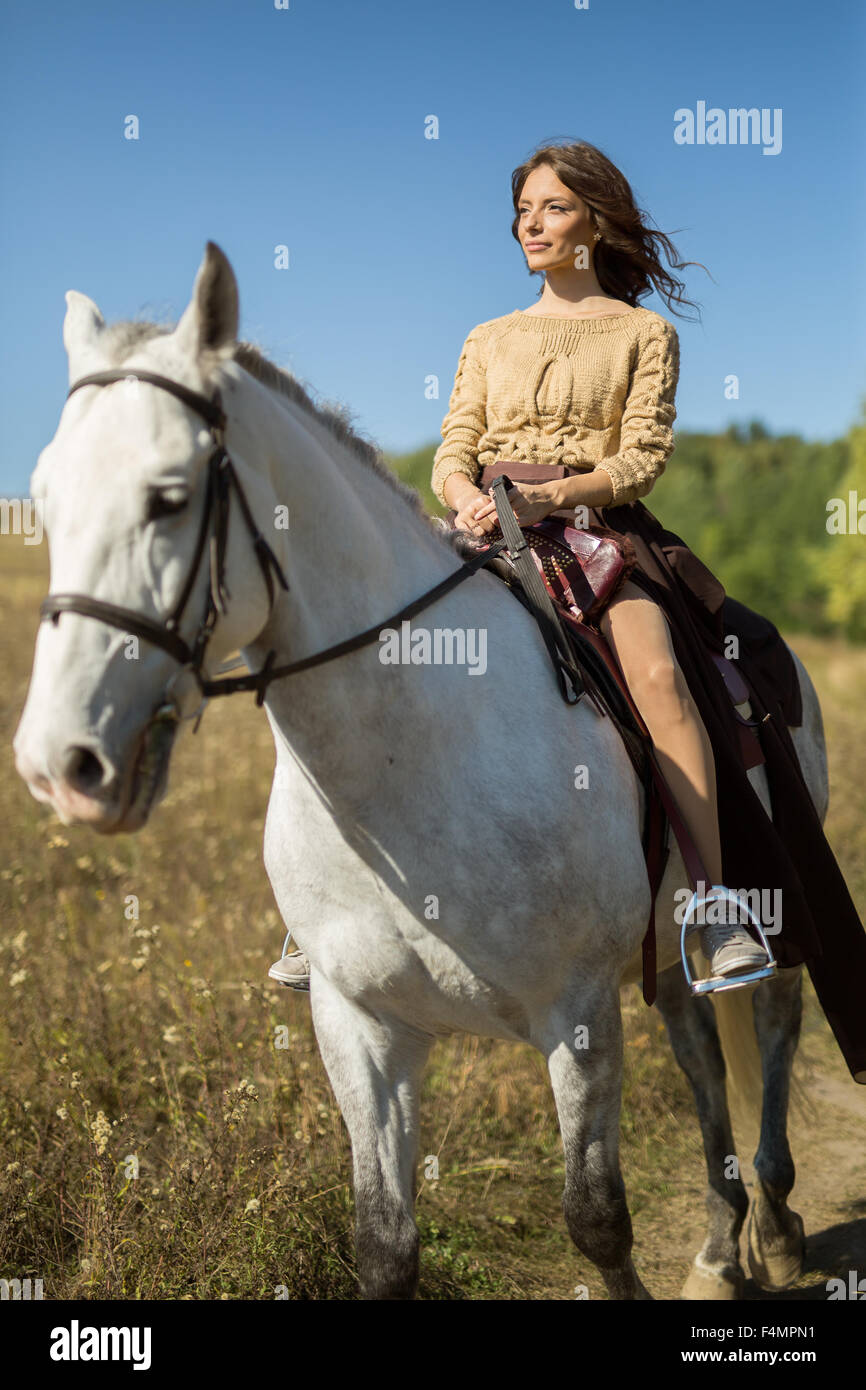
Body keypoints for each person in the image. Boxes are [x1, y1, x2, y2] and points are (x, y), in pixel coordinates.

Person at [269, 142, 866, 1087]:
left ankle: (712, 910)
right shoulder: (486, 337)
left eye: (549, 207)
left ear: (594, 215)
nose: (529, 225)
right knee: (364, 651)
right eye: (520, 212)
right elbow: (453, 444)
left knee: (665, 680)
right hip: (482, 528)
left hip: (596, 537)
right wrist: (464, 492)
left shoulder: (643, 334)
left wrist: (558, 498)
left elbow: (640, 462)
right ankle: (316, 916)